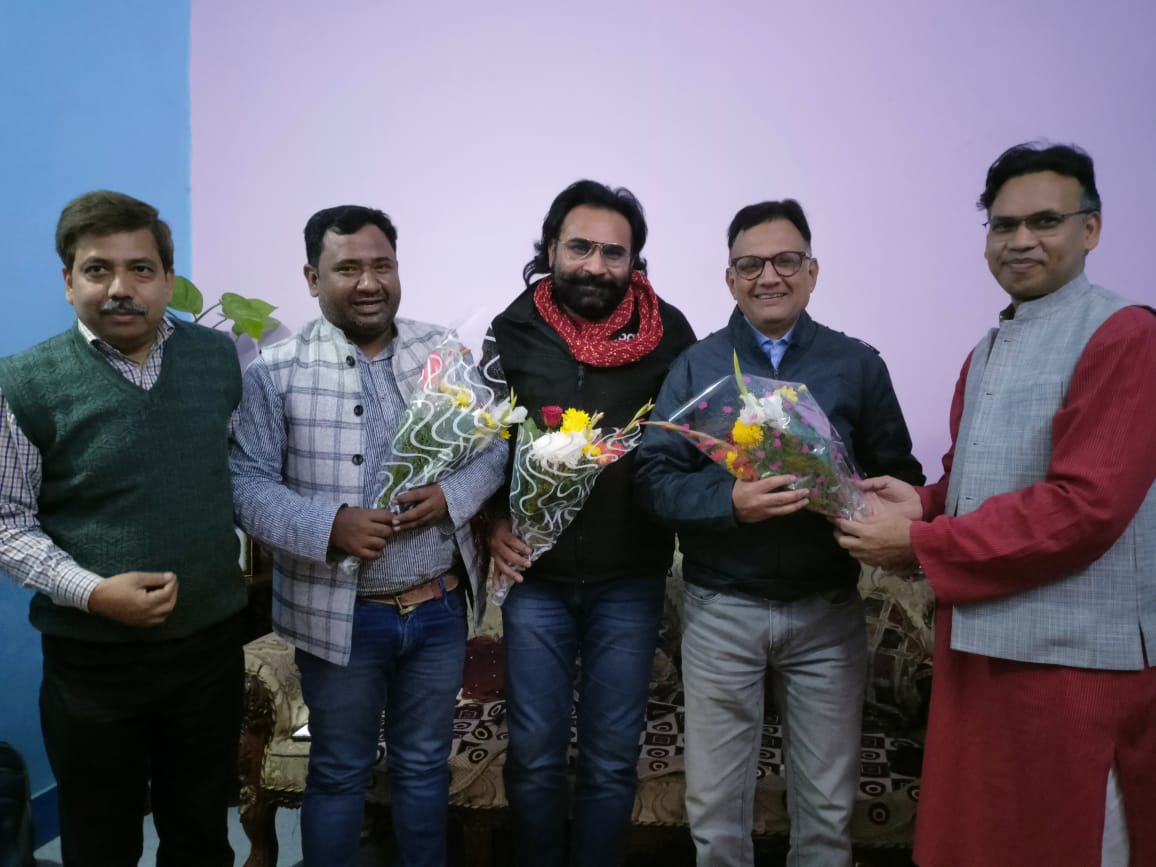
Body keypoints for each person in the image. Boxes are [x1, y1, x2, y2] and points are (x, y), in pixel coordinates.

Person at [835, 142, 1156, 867]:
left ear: (1091, 229)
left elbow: (1085, 508)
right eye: (1004, 225)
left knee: (1068, 845)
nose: (1021, 240)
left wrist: (920, 544)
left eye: (1045, 221)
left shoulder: (1126, 334)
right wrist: (923, 503)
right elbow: (975, 478)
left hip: (1077, 667)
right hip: (982, 652)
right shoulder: (988, 348)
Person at [634, 199, 923, 867]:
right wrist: (730, 502)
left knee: (826, 816)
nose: (769, 276)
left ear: (812, 271)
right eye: (750, 264)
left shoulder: (857, 364)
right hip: (721, 610)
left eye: (786, 260)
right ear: (730, 278)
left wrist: (862, 500)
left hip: (827, 613)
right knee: (716, 817)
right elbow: (652, 479)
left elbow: (900, 476)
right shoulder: (698, 366)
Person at [229, 205, 506, 867]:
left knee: (423, 766)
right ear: (312, 278)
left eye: (382, 265)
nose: (369, 282)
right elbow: (246, 485)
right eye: (347, 268)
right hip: (341, 615)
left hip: (437, 607)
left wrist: (451, 496)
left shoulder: (442, 350)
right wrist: (329, 525)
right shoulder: (275, 371)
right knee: (339, 771)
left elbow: (494, 447)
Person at [0, 190, 247, 867]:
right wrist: (91, 592)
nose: (119, 287)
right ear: (68, 281)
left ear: (167, 278)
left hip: (208, 648)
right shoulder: (25, 383)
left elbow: (233, 476)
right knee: (99, 840)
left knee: (201, 833)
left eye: (140, 268)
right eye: (97, 269)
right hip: (92, 664)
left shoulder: (217, 359)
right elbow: (7, 522)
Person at [484, 180, 696, 867]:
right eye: (580, 248)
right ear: (551, 248)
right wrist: (490, 521)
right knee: (535, 754)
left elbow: (689, 446)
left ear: (635, 260)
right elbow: (485, 444)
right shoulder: (512, 328)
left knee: (610, 758)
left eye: (614, 253)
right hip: (536, 578)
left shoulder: (672, 335)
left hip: (630, 578)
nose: (596, 266)